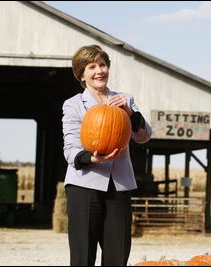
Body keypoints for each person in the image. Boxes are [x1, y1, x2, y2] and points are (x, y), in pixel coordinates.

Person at [61, 44, 152, 266]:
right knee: (83, 255)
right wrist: (92, 158)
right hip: (83, 185)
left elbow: (144, 136)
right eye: (91, 67)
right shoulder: (73, 105)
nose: (99, 71)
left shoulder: (125, 99)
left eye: (102, 65)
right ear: (81, 74)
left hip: (119, 185)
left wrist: (130, 113)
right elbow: (70, 148)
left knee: (117, 255)